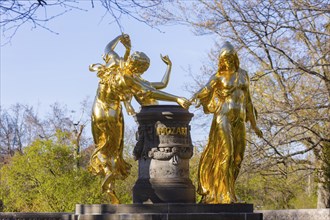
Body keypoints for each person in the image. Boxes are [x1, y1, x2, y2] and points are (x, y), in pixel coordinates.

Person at [89, 34, 190, 204]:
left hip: (98, 110)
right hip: (113, 114)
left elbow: (108, 48)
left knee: (103, 146)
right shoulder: (131, 80)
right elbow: (150, 92)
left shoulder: (115, 63)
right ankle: (110, 173)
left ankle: (108, 176)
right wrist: (177, 99)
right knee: (115, 148)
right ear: (139, 69)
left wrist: (121, 40)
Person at [191, 41, 263, 204]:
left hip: (239, 119)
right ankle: (225, 194)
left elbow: (249, 101)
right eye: (226, 58)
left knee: (237, 158)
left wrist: (254, 124)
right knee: (227, 154)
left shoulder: (244, 74)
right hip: (223, 117)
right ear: (221, 60)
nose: (229, 60)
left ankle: (228, 190)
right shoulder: (217, 77)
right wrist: (192, 99)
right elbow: (204, 91)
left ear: (235, 57)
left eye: (231, 57)